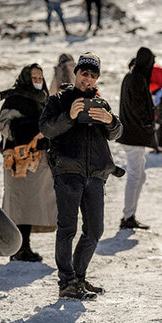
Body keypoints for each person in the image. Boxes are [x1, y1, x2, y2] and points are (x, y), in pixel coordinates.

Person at [38, 53, 124, 300]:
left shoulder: (101, 102)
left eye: (93, 75)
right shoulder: (59, 100)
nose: (88, 79)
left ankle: (79, 276)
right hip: (67, 173)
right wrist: (70, 115)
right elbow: (46, 129)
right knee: (67, 228)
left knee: (95, 230)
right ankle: (66, 282)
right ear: (76, 74)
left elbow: (116, 133)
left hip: (96, 175)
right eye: (84, 73)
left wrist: (110, 120)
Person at [0, 64, 56, 262]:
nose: (38, 81)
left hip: (37, 162)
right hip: (18, 162)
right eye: (34, 78)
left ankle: (25, 247)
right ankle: (17, 248)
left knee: (31, 204)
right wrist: (31, 128)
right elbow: (4, 125)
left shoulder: (44, 100)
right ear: (25, 79)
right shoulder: (15, 99)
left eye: (40, 77)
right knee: (18, 204)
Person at [116, 48, 157, 231]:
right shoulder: (137, 79)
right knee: (135, 176)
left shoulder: (130, 77)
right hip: (134, 135)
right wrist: (148, 123)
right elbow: (139, 107)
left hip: (131, 134)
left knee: (140, 176)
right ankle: (127, 217)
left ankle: (129, 214)